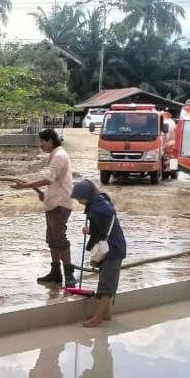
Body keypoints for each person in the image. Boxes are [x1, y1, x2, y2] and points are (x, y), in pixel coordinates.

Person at [13, 128, 76, 288]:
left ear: (50, 141)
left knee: (59, 239)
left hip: (60, 204)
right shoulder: (56, 155)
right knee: (52, 239)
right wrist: (44, 195)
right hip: (54, 202)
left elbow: (48, 179)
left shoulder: (59, 156)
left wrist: (25, 186)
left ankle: (69, 275)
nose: (41, 145)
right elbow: (54, 182)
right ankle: (56, 273)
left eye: (42, 141)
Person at [71, 179, 127, 328]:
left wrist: (89, 230)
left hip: (113, 249)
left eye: (79, 198)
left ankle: (97, 318)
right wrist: (91, 230)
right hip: (109, 248)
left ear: (86, 196)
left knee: (106, 285)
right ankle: (106, 314)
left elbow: (101, 226)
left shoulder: (98, 209)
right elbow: (102, 228)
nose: (78, 201)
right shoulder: (100, 201)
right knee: (105, 280)